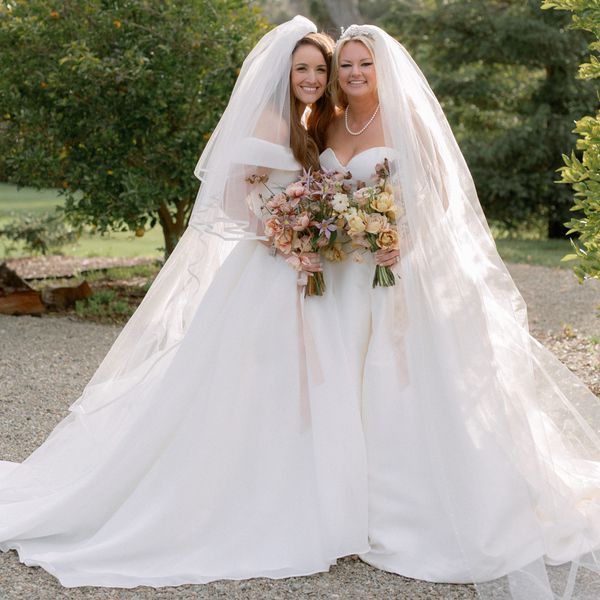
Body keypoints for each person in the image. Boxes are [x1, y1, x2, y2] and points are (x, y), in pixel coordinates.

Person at [0, 17, 374, 588]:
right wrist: (285, 237)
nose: (313, 78)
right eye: (304, 68)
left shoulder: (306, 125)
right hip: (267, 273)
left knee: (297, 387)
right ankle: (232, 501)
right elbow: (230, 199)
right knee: (253, 386)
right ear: (285, 71)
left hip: (296, 273)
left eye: (320, 70)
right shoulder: (269, 120)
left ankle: (293, 496)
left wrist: (307, 235)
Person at [319, 24, 600, 600]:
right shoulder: (323, 124)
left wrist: (402, 236)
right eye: (345, 65)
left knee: (400, 382)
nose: (354, 74)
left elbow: (442, 197)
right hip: (345, 276)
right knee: (343, 380)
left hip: (401, 271)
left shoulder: (407, 121)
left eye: (363, 65)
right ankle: (345, 507)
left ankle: (412, 512)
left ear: (383, 68)